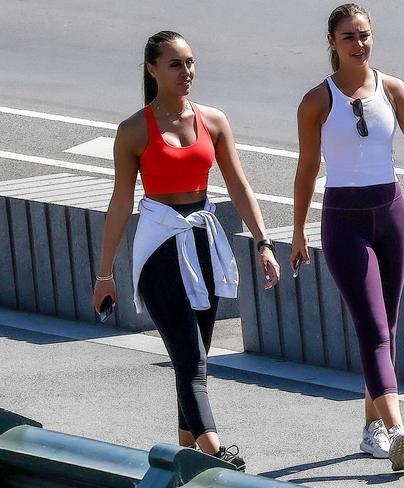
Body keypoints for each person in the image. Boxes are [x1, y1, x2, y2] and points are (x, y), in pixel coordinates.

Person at [290, 4, 404, 471]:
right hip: (343, 220)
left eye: (365, 35)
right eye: (349, 37)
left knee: (387, 327)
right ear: (332, 43)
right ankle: (398, 430)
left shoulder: (392, 89)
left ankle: (372, 426)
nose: (359, 44)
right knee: (371, 328)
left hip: (390, 214)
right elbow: (308, 168)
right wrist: (296, 231)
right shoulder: (317, 101)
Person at [92, 31, 280, 471]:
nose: (186, 72)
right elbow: (121, 201)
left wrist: (264, 242)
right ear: (152, 69)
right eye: (175, 64)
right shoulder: (134, 130)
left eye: (190, 62)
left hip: (202, 243)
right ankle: (218, 456)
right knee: (190, 360)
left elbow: (238, 184)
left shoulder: (212, 121)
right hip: (159, 246)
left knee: (194, 356)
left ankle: (185, 455)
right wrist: (105, 274)